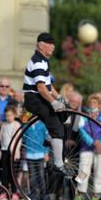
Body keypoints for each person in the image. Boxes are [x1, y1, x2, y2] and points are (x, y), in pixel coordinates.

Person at [22, 32, 66, 174]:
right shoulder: (37, 62)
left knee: (67, 113)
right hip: (34, 99)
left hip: (41, 97)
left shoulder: (43, 61)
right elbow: (41, 88)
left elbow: (48, 85)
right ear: (41, 46)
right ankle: (58, 164)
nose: (53, 47)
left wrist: (59, 97)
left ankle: (49, 137)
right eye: (50, 44)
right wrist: (53, 102)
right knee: (56, 126)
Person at [74, 94, 101, 200]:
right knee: (83, 170)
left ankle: (97, 194)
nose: (92, 104)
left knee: (99, 171)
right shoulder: (83, 117)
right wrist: (93, 142)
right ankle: (79, 193)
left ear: (99, 105)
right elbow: (81, 131)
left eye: (95, 103)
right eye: (91, 102)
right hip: (86, 148)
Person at [0, 106, 21, 200]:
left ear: (14, 115)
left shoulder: (16, 125)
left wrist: (16, 152)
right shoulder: (4, 125)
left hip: (13, 151)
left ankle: (15, 192)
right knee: (4, 173)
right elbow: (1, 137)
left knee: (13, 173)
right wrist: (0, 150)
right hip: (4, 150)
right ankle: (5, 192)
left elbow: (18, 140)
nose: (8, 117)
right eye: (6, 116)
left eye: (10, 115)